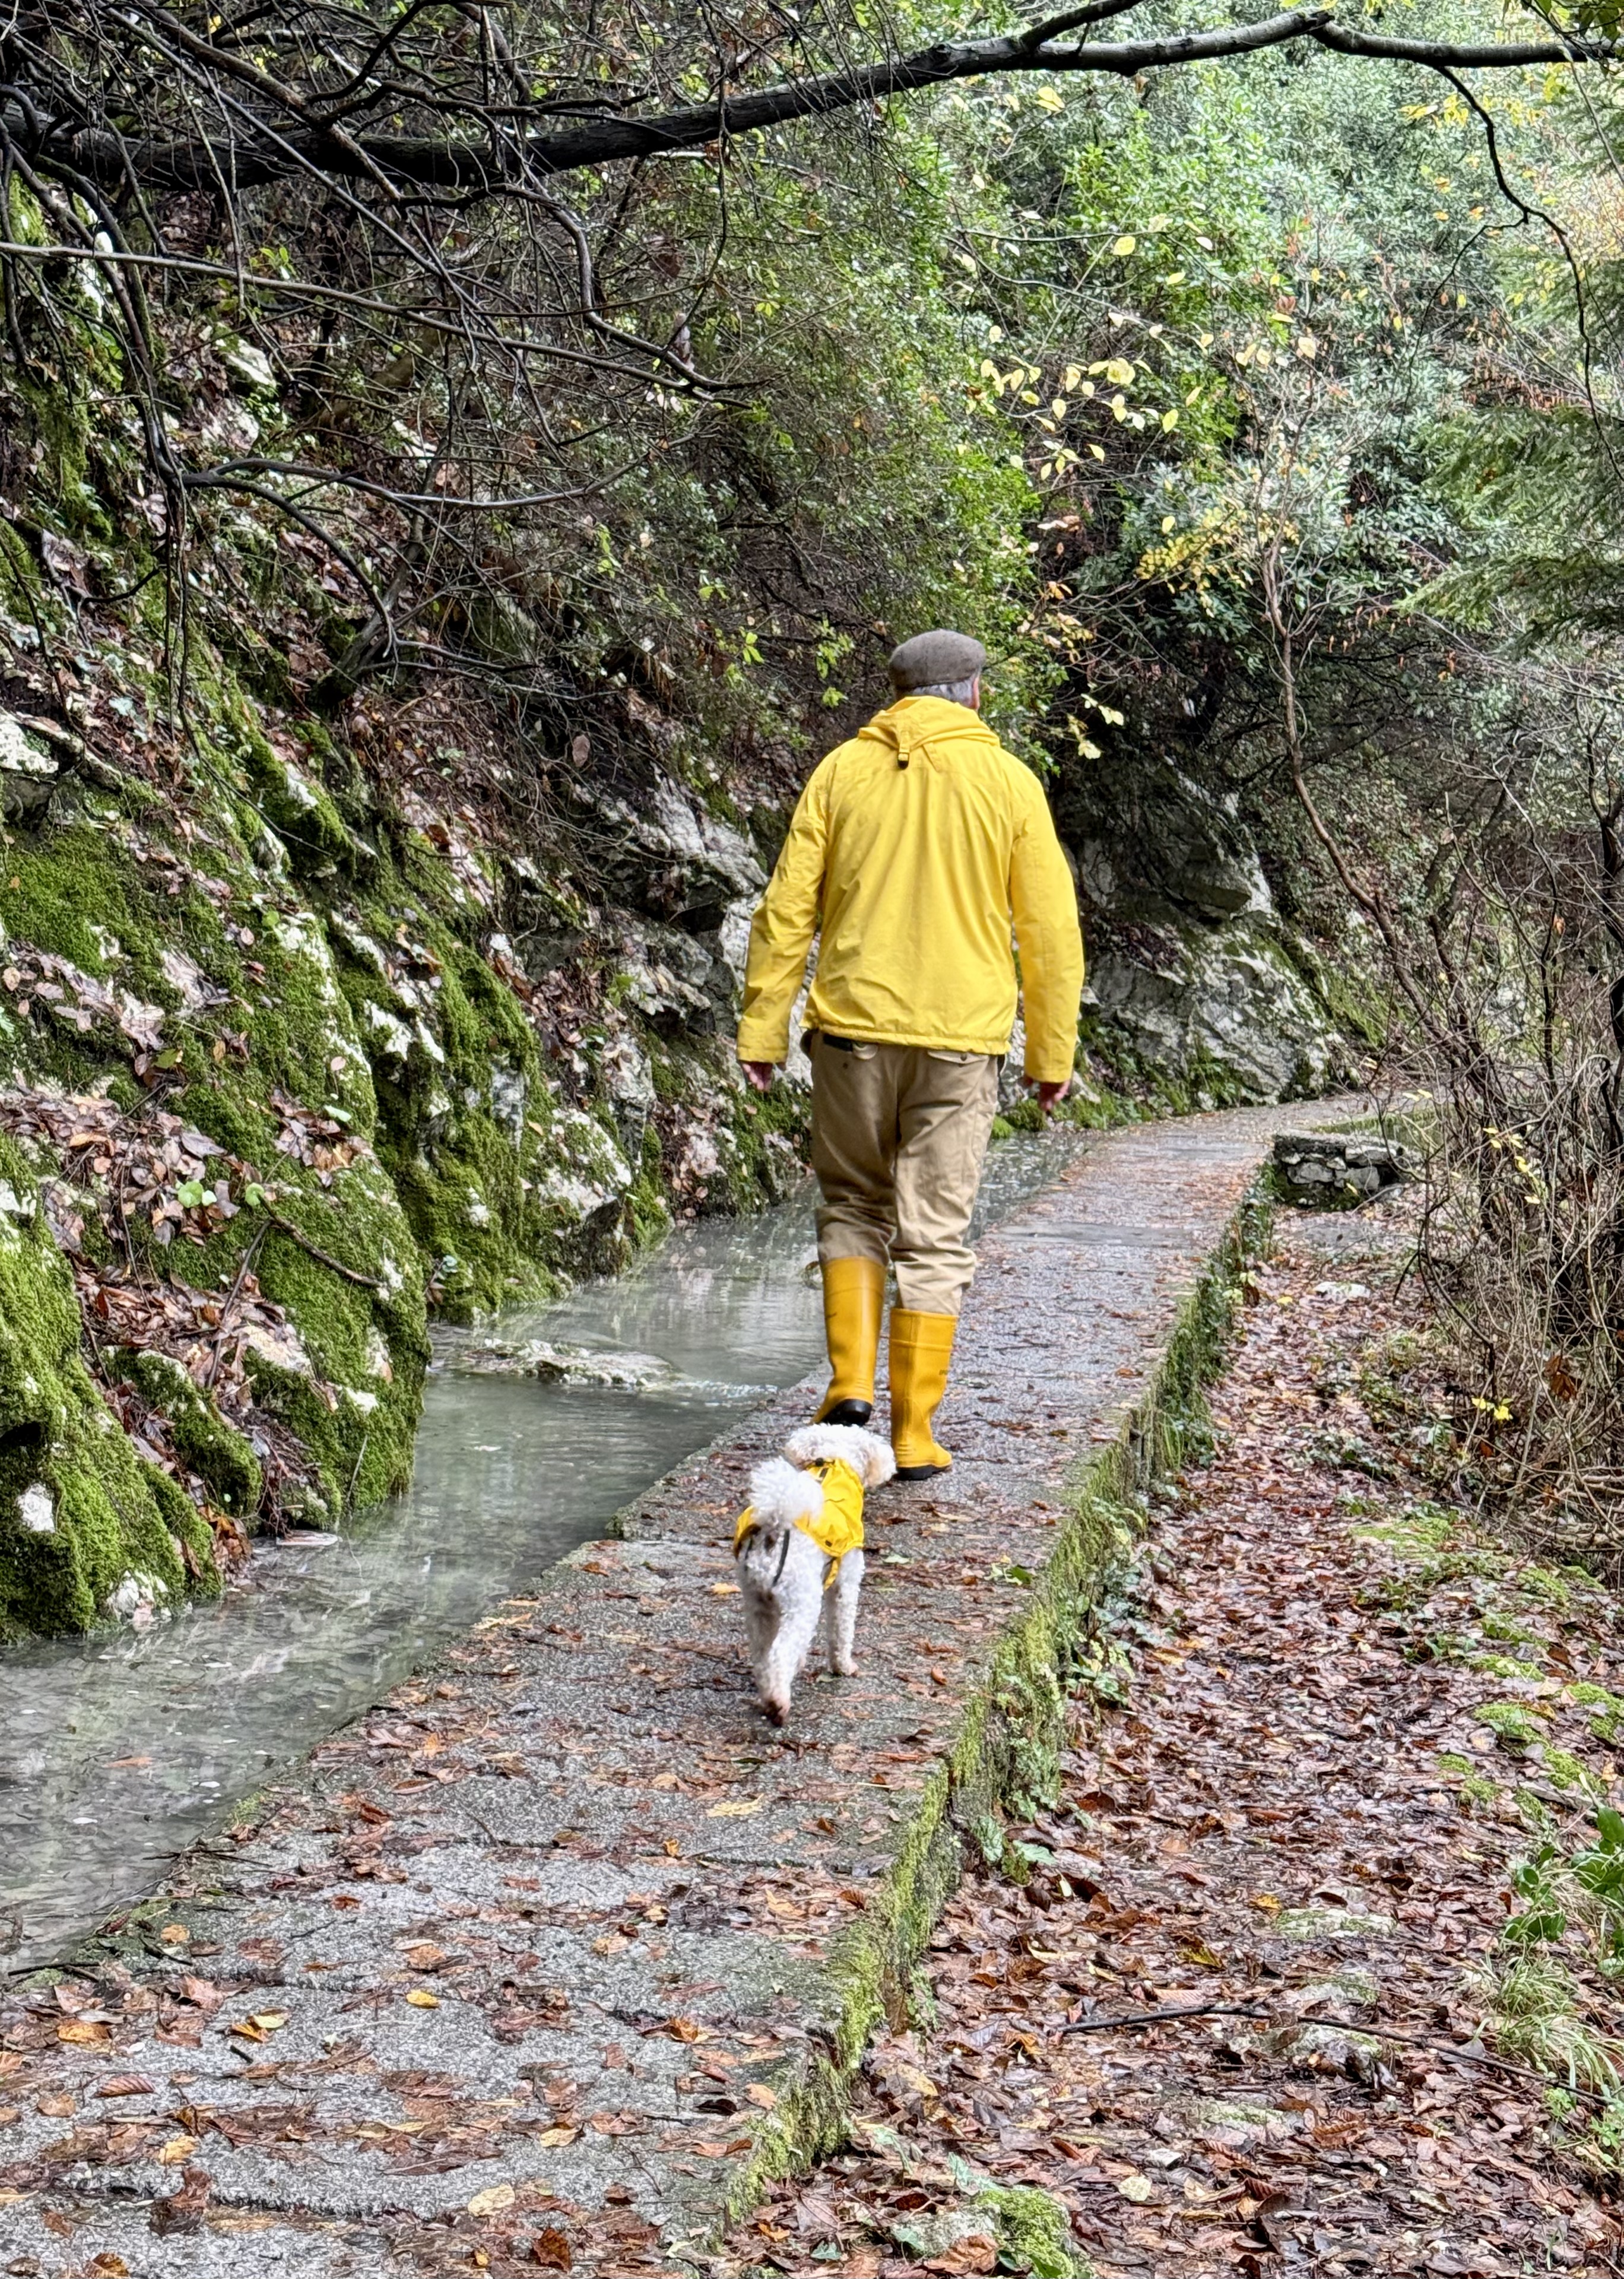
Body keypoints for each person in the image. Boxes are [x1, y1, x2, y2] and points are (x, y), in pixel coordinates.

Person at [736, 629, 1084, 1481]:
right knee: (935, 1234)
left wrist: (763, 1029)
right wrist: (1052, 1052)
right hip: (958, 1046)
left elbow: (788, 910)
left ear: (894, 697)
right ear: (973, 694)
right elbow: (1048, 929)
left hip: (852, 1032)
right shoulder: (1009, 784)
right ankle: (914, 1433)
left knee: (852, 1206)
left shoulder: (841, 774)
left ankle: (847, 1395)